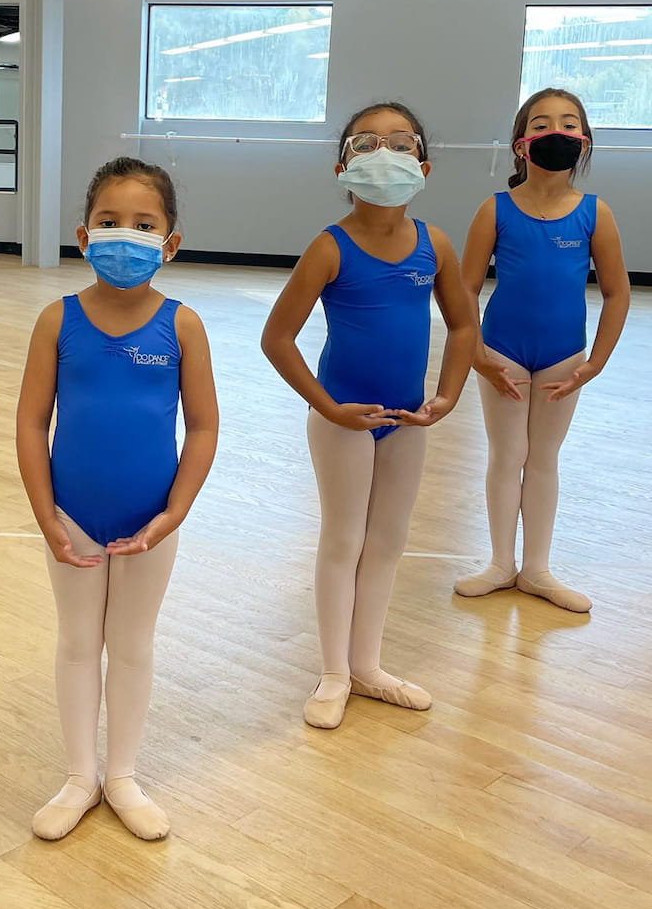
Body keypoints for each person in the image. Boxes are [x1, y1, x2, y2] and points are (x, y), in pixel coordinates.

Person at [16, 157, 218, 840]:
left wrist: (175, 513)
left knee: (130, 645)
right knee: (77, 643)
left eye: (143, 223)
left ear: (170, 242)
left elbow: (205, 425)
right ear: (83, 234)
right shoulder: (57, 319)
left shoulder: (182, 326)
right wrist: (46, 515)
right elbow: (29, 421)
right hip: (73, 516)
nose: (124, 234)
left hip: (149, 522)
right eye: (110, 222)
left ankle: (123, 775)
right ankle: (80, 776)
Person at [262, 102, 475, 730]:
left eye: (400, 143)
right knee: (343, 540)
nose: (385, 154)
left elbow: (464, 324)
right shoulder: (330, 248)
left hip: (407, 420)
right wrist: (329, 408)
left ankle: (367, 665)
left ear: (424, 165)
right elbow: (278, 337)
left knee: (388, 542)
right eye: (367, 144)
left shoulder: (434, 244)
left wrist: (448, 394)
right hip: (342, 418)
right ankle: (332, 672)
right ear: (342, 168)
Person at [454, 88, 629, 614]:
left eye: (570, 123)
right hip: (502, 350)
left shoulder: (596, 214)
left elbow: (618, 291)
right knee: (507, 456)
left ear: (585, 141)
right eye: (544, 123)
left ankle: (537, 569)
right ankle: (501, 564)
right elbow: (463, 289)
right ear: (520, 143)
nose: (557, 131)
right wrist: (478, 355)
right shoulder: (496, 209)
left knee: (544, 458)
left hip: (563, 356)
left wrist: (595, 363)